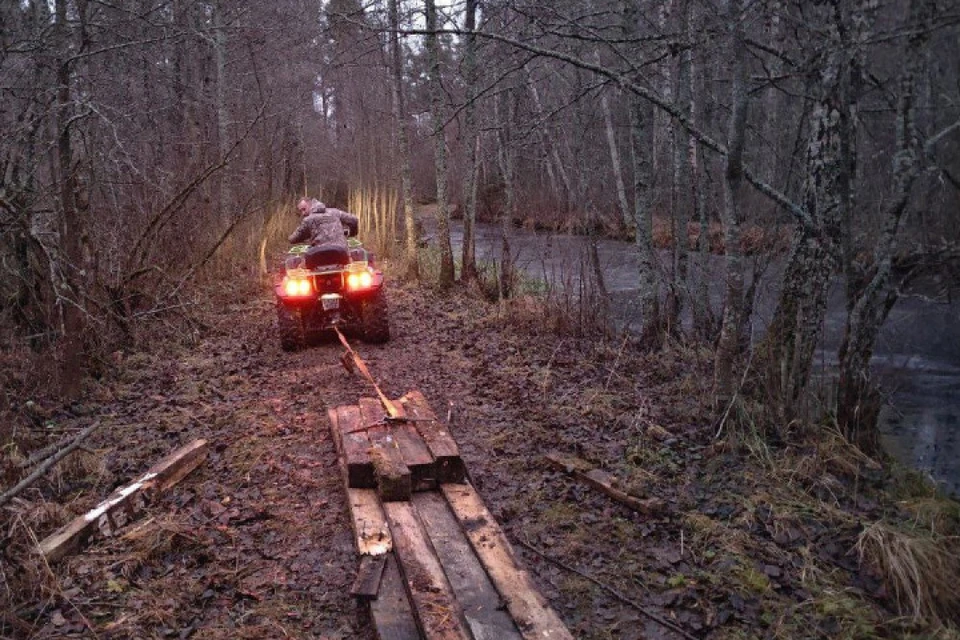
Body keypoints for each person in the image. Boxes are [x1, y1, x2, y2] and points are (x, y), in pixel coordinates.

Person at [288, 198, 359, 249]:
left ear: (310, 205)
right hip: (341, 252)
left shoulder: (308, 220)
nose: (303, 213)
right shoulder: (335, 212)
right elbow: (354, 219)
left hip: (318, 255)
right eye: (301, 211)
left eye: (304, 209)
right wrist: (351, 234)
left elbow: (293, 239)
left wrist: (303, 238)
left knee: (301, 265)